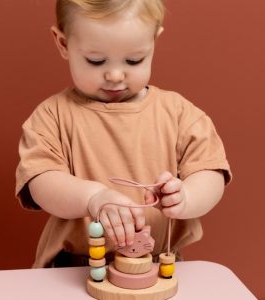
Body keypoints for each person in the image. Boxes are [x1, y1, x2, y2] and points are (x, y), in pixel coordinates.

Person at [15, 0, 232, 268]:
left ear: (154, 41)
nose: (115, 75)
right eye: (96, 60)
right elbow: (40, 181)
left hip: (158, 264)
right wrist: (92, 197)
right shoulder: (51, 116)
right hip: (75, 266)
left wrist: (188, 196)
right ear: (63, 44)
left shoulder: (179, 113)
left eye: (134, 60)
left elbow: (210, 171)